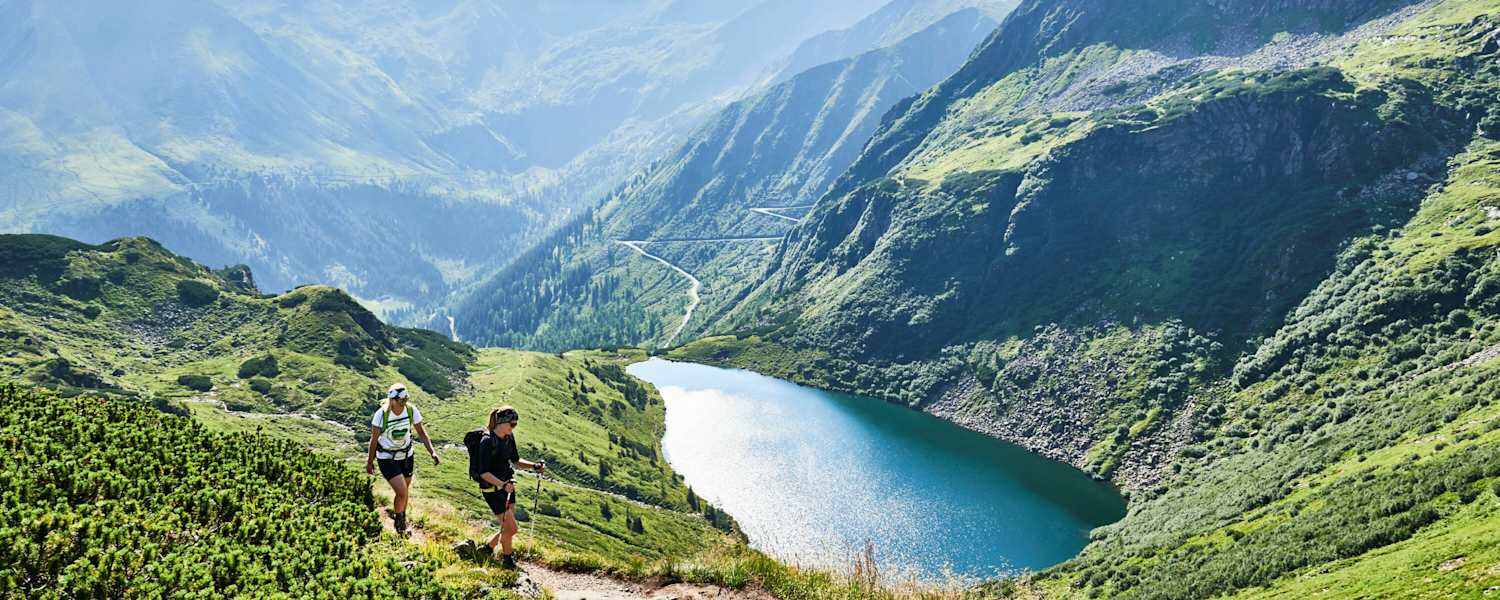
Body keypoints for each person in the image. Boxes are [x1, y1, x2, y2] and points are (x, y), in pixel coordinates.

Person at [474, 405, 545, 569]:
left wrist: (534, 466)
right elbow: (483, 472)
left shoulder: (508, 438)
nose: (513, 428)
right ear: (502, 422)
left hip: (508, 487)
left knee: (507, 526)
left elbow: (515, 460)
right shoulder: (487, 441)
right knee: (512, 528)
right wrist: (502, 484)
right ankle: (507, 560)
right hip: (493, 490)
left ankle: (487, 549)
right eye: (512, 424)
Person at [365, 383, 439, 535]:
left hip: (406, 456)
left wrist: (432, 452)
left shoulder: (411, 410)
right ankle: (400, 527)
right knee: (402, 492)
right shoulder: (381, 415)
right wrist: (369, 462)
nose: (403, 404)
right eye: (401, 401)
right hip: (387, 458)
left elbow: (421, 432)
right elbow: (374, 440)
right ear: (392, 400)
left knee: (404, 492)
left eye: (405, 400)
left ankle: (401, 518)